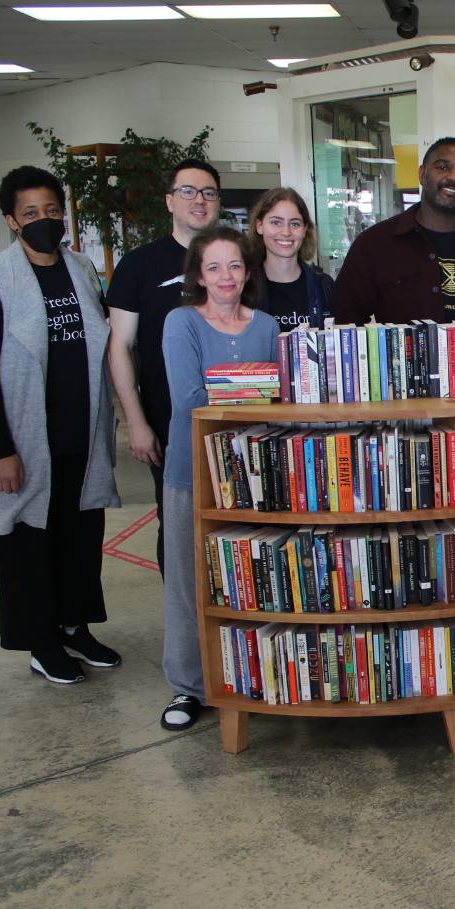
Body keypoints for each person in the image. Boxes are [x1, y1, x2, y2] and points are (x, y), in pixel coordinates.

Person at [0, 165, 121, 684]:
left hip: (80, 436)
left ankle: (74, 627)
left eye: (52, 210)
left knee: (79, 536)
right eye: (31, 213)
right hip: (25, 442)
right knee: (28, 544)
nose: (44, 220)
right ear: (11, 220)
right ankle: (41, 640)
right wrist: (1, 450)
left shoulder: (80, 268)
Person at [158, 228, 280, 730]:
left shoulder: (267, 325)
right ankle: (188, 688)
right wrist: (255, 385)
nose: (226, 277)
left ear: (248, 272)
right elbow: (189, 399)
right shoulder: (180, 322)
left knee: (250, 578)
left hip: (256, 469)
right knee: (189, 583)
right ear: (198, 275)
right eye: (214, 267)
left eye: (235, 266)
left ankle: (253, 678)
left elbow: (280, 399)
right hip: (193, 469)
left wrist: (231, 388)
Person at [107, 158, 221, 573]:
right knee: (177, 524)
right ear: (170, 201)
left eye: (208, 192)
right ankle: (185, 627)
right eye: (188, 191)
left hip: (233, 414)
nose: (199, 200)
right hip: (166, 419)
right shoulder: (139, 265)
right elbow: (119, 347)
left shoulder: (235, 259)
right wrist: (136, 422)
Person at [330, 137, 455, 324]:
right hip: (403, 361)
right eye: (442, 167)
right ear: (421, 174)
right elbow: (345, 318)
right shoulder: (375, 245)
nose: (453, 177)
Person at [248, 186, 334, 332]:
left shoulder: (324, 286)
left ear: (305, 229)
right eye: (276, 222)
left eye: (295, 224)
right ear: (260, 226)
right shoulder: (245, 286)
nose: (286, 232)